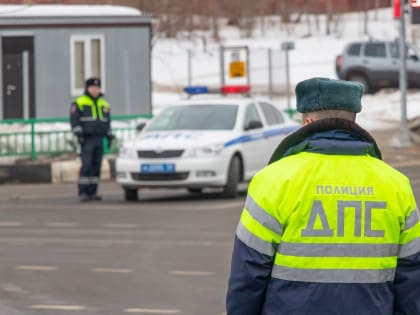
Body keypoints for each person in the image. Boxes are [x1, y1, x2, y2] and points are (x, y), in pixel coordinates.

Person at [226, 77, 420, 315]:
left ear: (307, 121)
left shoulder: (273, 180)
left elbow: (248, 276)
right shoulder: (396, 185)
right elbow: (412, 279)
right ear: (353, 118)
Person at [70, 78, 113, 202]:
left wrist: (109, 135)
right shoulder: (79, 102)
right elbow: (74, 120)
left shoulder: (104, 104)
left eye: (97, 88)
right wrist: (79, 134)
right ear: (87, 88)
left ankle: (93, 192)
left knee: (96, 166)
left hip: (99, 139)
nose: (95, 90)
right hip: (87, 139)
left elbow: (107, 122)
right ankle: (83, 191)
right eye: (93, 88)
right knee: (87, 165)